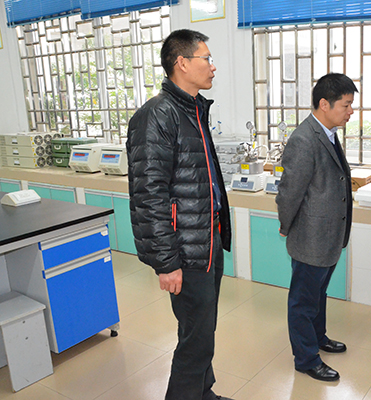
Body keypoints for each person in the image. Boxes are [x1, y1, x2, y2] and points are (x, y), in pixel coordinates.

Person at [126, 29, 232, 400]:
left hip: (206, 239)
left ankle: (204, 392)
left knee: (202, 330)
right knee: (195, 340)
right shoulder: (157, 115)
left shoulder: (193, 110)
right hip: (185, 250)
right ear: (182, 63)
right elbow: (148, 195)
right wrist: (167, 262)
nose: (213, 67)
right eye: (207, 58)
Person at [276, 73, 357, 382]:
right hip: (310, 237)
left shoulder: (328, 133)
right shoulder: (304, 139)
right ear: (325, 104)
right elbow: (289, 191)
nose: (350, 111)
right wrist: (286, 225)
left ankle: (318, 337)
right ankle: (306, 358)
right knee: (303, 301)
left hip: (329, 235)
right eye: (346, 105)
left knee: (318, 294)